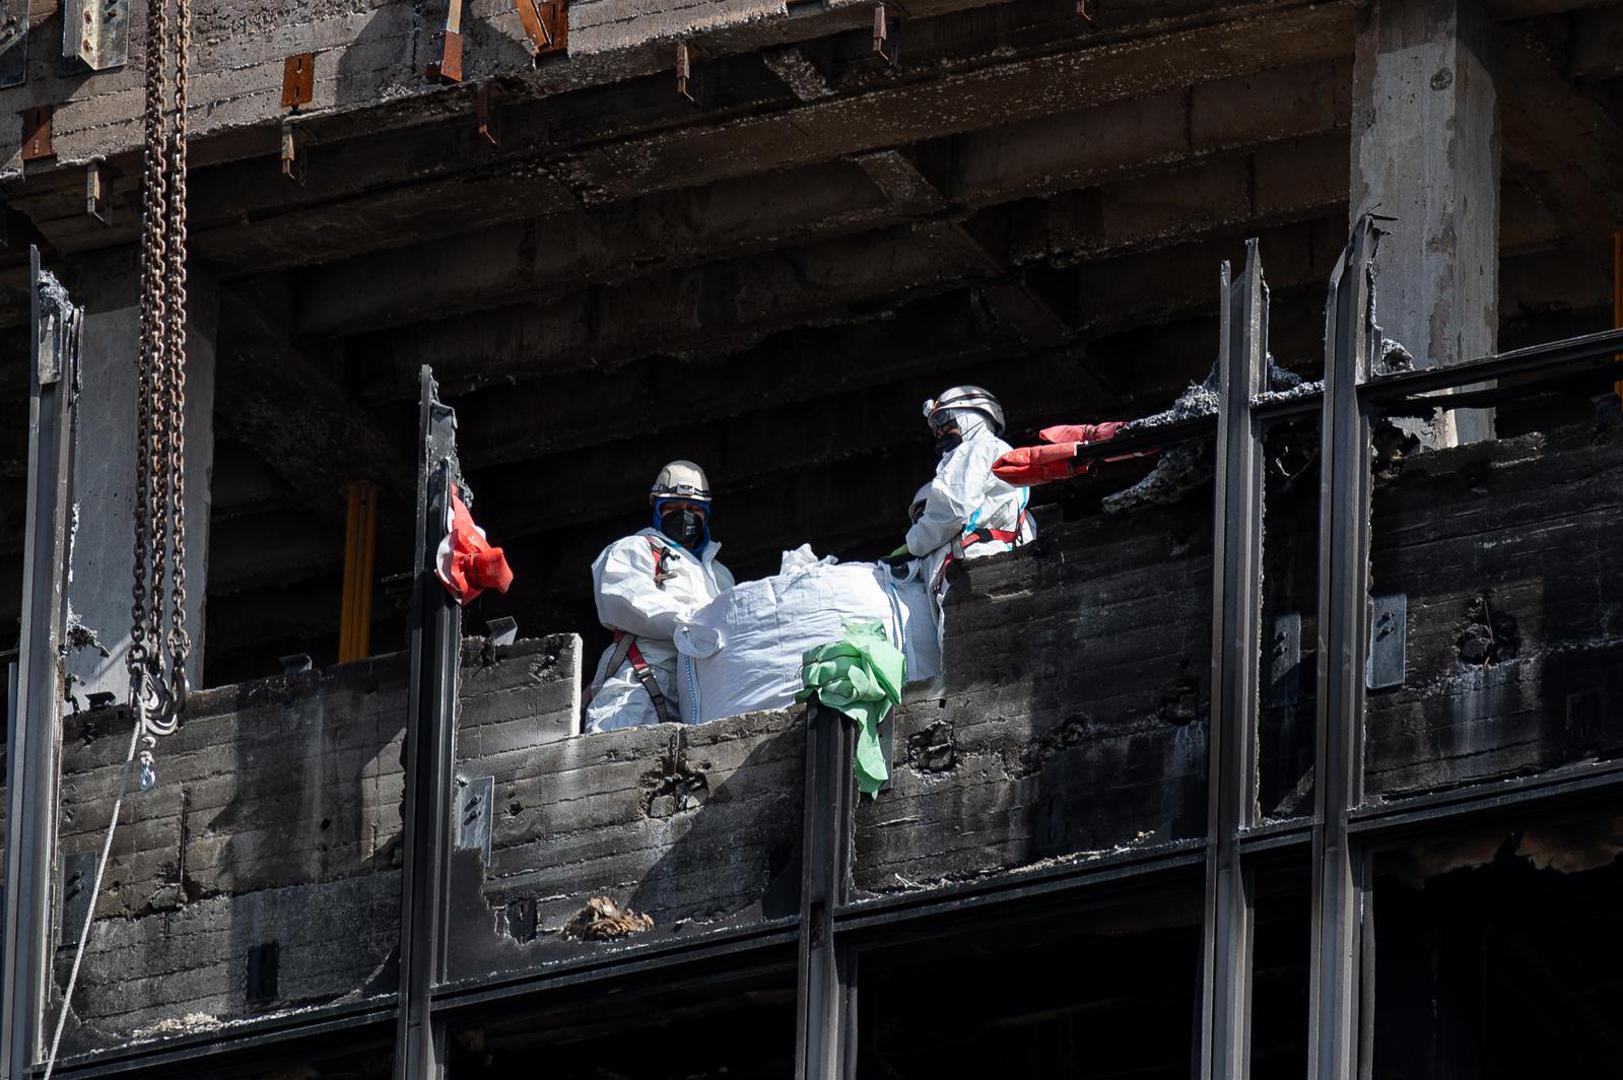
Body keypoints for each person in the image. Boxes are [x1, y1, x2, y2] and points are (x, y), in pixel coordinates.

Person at [584, 461, 735, 732]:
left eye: (693, 509)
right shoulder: (635, 549)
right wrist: (695, 625)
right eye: (674, 508)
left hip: (699, 702)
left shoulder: (720, 576)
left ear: (706, 514)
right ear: (656, 508)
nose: (685, 515)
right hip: (639, 687)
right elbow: (624, 602)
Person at [895, 386, 1035, 594]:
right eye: (936, 426)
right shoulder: (994, 452)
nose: (939, 431)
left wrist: (913, 542)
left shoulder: (978, 448)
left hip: (976, 570)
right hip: (990, 567)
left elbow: (953, 507)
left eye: (946, 421)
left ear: (972, 417)